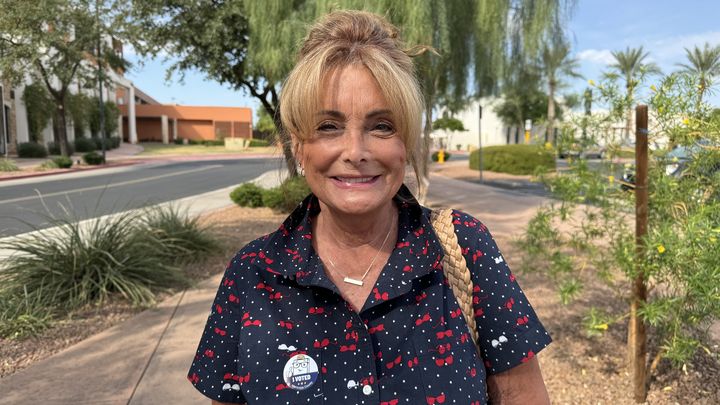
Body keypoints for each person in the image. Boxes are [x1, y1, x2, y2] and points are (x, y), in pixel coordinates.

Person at [188, 10, 552, 405]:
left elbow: (521, 395)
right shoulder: (252, 274)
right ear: (298, 145)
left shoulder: (464, 248)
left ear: (407, 141)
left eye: (382, 126)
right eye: (328, 126)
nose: (356, 152)